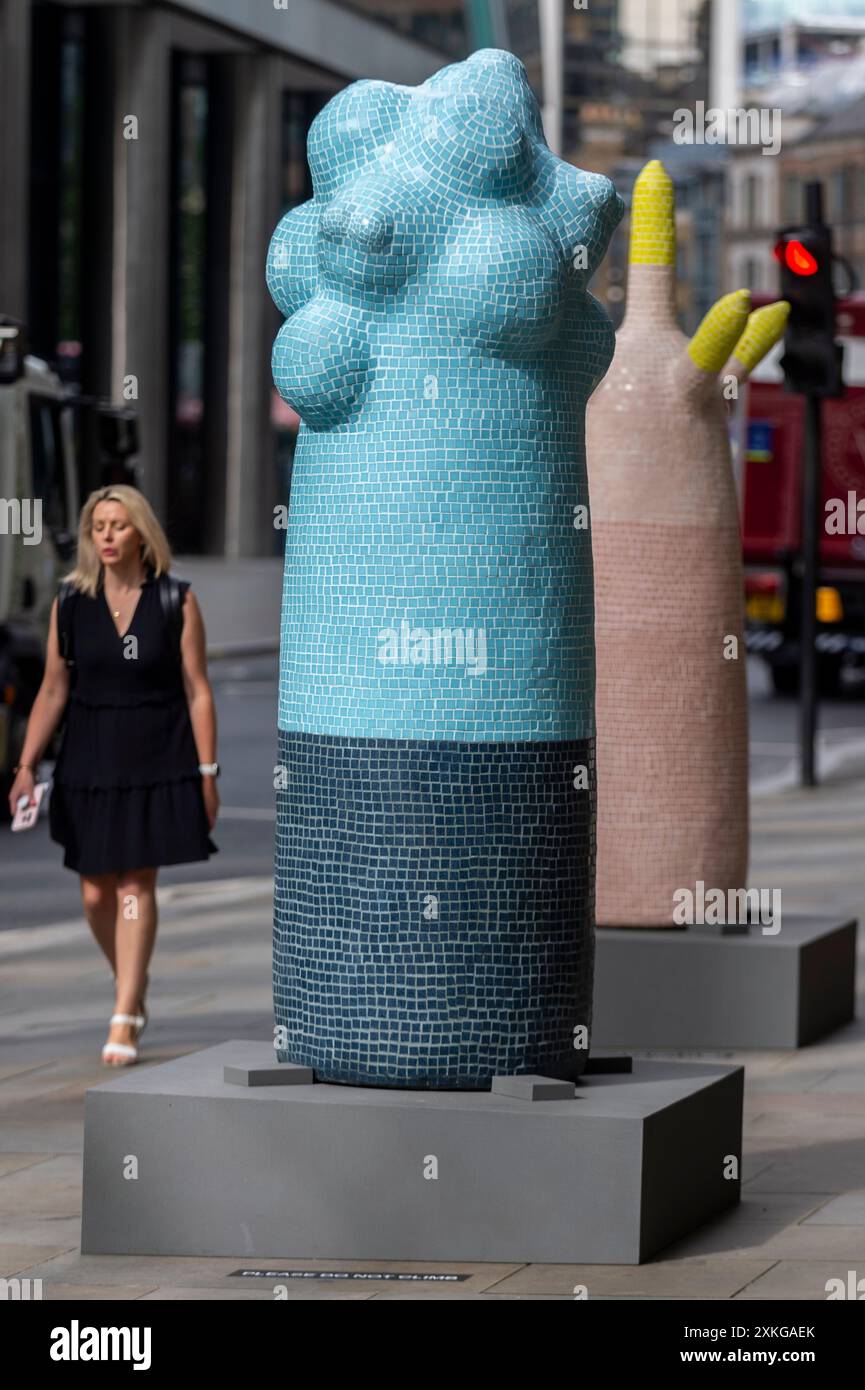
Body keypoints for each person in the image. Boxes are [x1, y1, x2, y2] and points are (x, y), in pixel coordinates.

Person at [7, 485, 220, 1066]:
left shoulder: (176, 599)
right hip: (89, 756)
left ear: (140, 534)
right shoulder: (70, 603)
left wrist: (207, 770)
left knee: (134, 887)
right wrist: (25, 766)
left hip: (158, 755)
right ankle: (130, 978)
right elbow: (53, 688)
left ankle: (125, 1012)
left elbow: (198, 690)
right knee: (97, 891)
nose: (105, 535)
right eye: (97, 525)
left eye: (118, 525)